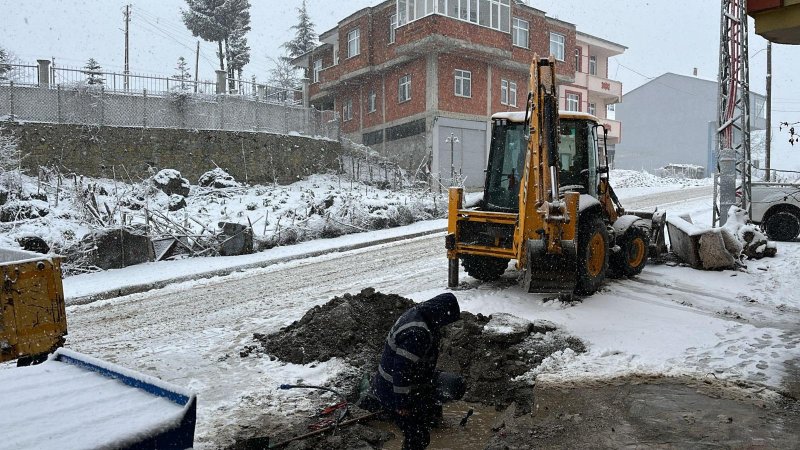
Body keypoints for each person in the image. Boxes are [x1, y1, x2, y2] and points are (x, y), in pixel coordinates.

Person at [371, 293, 463, 450]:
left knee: (452, 386)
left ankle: (428, 415)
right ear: (440, 314)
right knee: (418, 437)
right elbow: (401, 370)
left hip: (402, 381)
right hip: (392, 389)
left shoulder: (421, 315)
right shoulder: (417, 333)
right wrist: (402, 404)